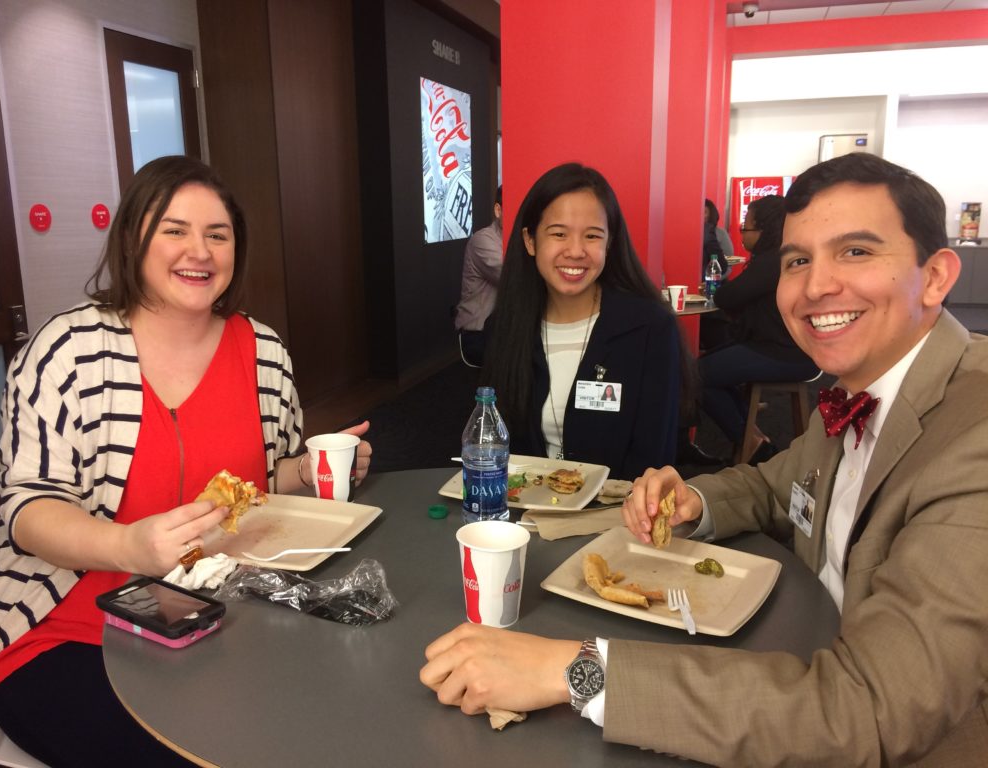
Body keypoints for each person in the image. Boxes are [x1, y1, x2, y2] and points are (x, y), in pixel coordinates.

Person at [420, 153, 988, 766]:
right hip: (797, 654)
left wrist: (576, 668)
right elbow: (773, 488)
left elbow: (869, 710)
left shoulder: (971, 438)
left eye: (855, 252)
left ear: (935, 276)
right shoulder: (858, 395)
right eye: (797, 260)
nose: (818, 284)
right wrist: (693, 499)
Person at [0, 156, 373, 767]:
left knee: (329, 720)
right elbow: (27, 509)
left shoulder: (262, 351)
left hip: (220, 618)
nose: (199, 251)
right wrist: (128, 547)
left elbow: (267, 478)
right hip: (68, 627)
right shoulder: (70, 351)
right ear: (134, 239)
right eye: (174, 230)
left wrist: (309, 472)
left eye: (218, 234)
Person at [481, 163, 689, 480]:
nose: (576, 251)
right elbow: (494, 442)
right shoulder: (505, 328)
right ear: (530, 240)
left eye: (592, 236)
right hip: (526, 513)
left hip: (619, 515)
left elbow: (655, 457)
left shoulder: (650, 329)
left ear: (609, 243)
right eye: (559, 234)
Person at [699, 194, 818, 463]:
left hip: (785, 353)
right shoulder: (783, 256)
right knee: (708, 366)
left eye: (746, 226)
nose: (741, 232)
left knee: (698, 375)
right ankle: (752, 437)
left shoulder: (772, 261)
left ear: (764, 227)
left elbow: (727, 296)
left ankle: (750, 442)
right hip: (786, 348)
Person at [455, 185, 503, 367]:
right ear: (498, 210)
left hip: (501, 331)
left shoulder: (514, 240)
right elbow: (513, 276)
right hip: (479, 335)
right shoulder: (483, 240)